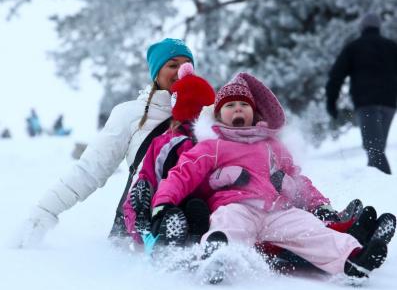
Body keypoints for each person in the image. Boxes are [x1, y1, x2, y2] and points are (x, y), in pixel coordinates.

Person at [151, 73, 389, 279]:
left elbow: (298, 179)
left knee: (311, 229)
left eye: (244, 106)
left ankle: (353, 257)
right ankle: (216, 256)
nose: (238, 109)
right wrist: (163, 204)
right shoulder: (213, 145)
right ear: (219, 115)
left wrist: (318, 204)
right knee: (228, 224)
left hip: (278, 211)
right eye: (230, 106)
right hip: (237, 207)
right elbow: (183, 173)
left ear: (254, 114)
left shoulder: (272, 145)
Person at [14, 38, 195, 248]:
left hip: (197, 220)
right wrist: (45, 212)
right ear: (156, 73)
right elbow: (90, 170)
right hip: (141, 225)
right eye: (172, 65)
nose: (181, 71)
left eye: (186, 65)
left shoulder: (209, 115)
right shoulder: (130, 114)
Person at [123, 62, 215, 250]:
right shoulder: (216, 144)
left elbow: (146, 178)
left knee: (171, 205)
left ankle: (154, 235)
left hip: (166, 204)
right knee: (194, 207)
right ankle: (185, 238)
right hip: (193, 208)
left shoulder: (165, 142)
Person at [326, 12, 397, 175]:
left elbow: (336, 76)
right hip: (389, 105)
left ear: (362, 27)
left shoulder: (353, 47)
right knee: (376, 149)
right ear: (378, 27)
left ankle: (386, 189)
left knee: (375, 150)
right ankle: (377, 188)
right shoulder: (392, 46)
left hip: (366, 104)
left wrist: (331, 102)